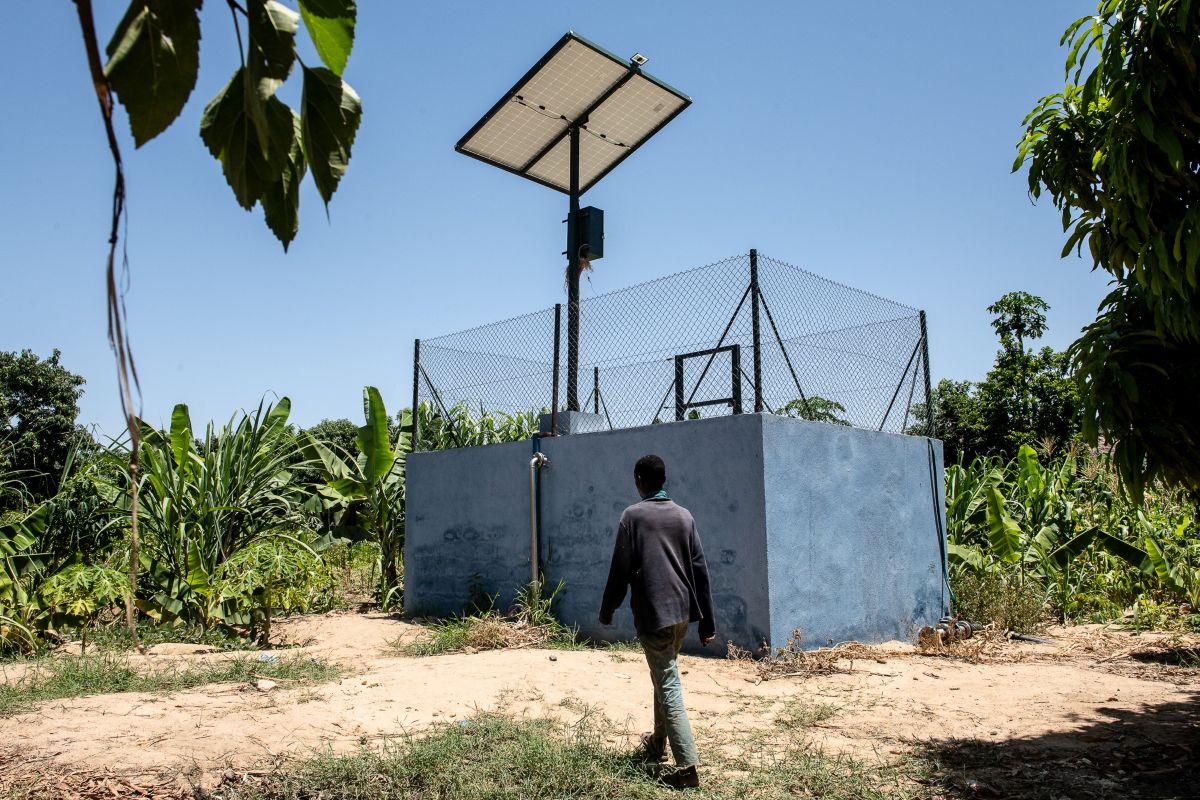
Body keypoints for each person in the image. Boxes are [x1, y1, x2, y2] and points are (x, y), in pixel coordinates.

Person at [599, 454, 716, 790]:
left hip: (654, 614)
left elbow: (619, 569)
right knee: (663, 675)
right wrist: (707, 622)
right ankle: (657, 744)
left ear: (640, 479)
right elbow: (700, 572)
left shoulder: (632, 517)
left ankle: (687, 767)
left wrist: (608, 608)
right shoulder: (684, 516)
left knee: (666, 680)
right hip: (681, 614)